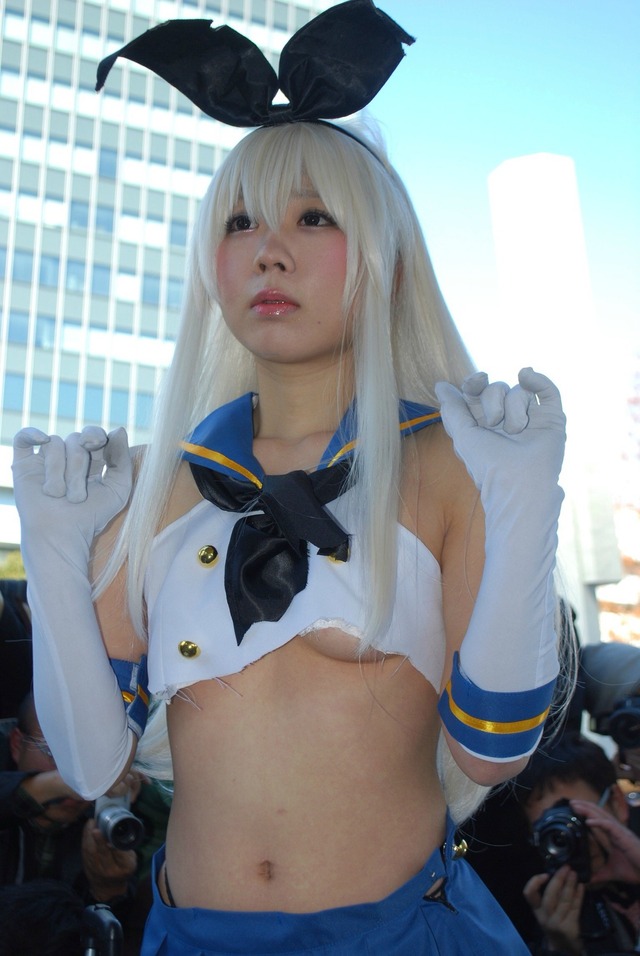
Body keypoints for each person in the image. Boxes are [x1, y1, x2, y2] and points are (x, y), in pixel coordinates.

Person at [11, 2, 568, 953]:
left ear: (388, 259)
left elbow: (491, 748)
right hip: (188, 933)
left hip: (403, 935)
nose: (270, 249)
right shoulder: (150, 487)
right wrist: (53, 555)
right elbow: (94, 764)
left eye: (314, 217)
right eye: (241, 223)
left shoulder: (450, 465)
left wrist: (525, 505)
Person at [0, 692, 139, 915]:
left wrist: (109, 890)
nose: (75, 772)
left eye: (89, 758)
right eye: (53, 752)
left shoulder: (108, 821)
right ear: (17, 745)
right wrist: (57, 784)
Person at [517, 733, 640, 954]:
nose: (570, 836)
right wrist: (561, 948)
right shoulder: (551, 908)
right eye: (551, 829)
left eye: (578, 819)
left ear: (617, 803)